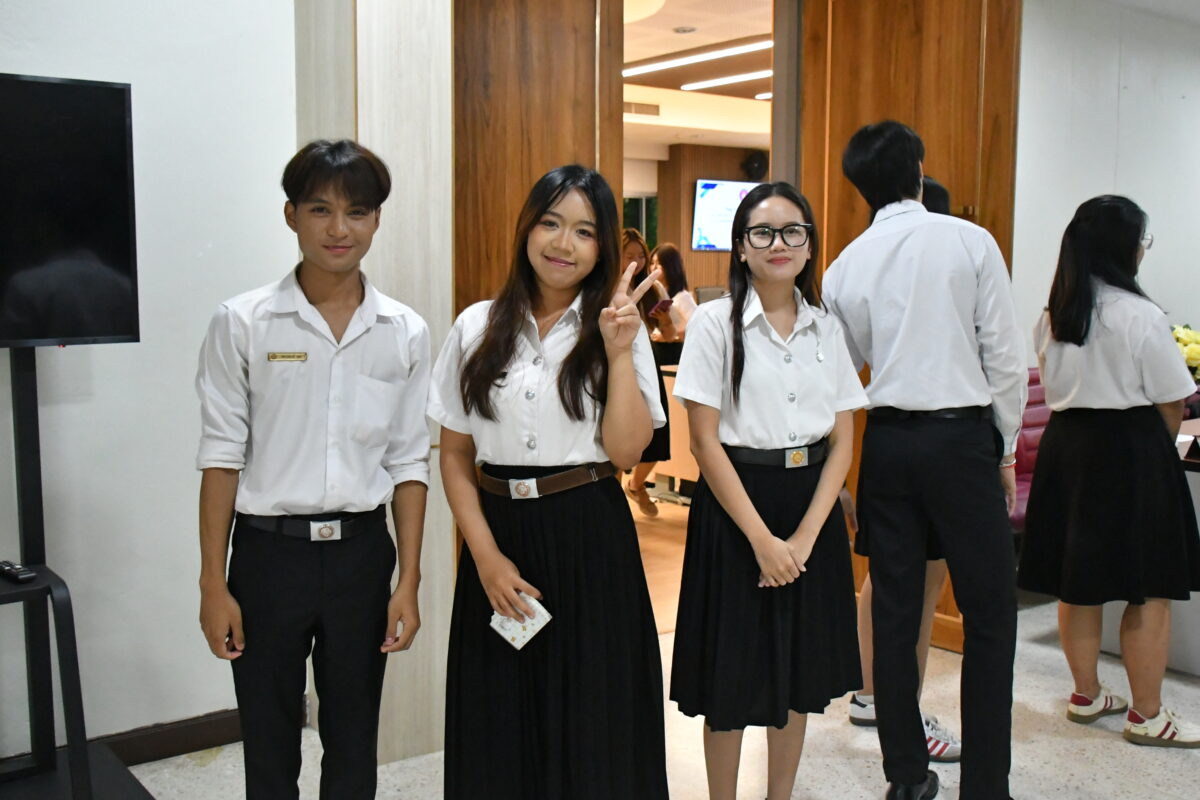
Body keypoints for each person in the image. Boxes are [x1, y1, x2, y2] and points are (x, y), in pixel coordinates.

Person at [195, 139, 430, 800]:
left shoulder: (404, 330)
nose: (338, 229)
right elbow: (221, 457)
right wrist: (213, 583)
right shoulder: (243, 322)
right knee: (268, 740)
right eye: (320, 209)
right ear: (291, 214)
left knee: (354, 739)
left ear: (376, 220)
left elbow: (409, 460)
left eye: (357, 212)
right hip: (268, 559)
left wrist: (409, 580)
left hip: (362, 557)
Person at [430, 165, 669, 799]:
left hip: (590, 532)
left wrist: (619, 350)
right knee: (500, 718)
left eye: (584, 232)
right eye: (551, 223)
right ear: (527, 229)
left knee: (594, 718)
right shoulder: (476, 326)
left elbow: (626, 452)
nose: (564, 244)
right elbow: (454, 455)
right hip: (498, 535)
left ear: (603, 246)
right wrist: (485, 558)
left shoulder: (618, 326)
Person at [823, 121, 1026, 800]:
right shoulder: (969, 241)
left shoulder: (845, 266)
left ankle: (906, 777)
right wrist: (1003, 449)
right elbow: (1004, 357)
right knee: (990, 614)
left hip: (887, 444)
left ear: (859, 186)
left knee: (894, 610)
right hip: (961, 441)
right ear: (918, 167)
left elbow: (842, 374)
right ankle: (986, 787)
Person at [670, 182, 866, 800]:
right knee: (729, 677)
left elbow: (843, 442)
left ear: (809, 246)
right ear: (741, 246)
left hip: (810, 506)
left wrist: (804, 539)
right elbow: (704, 443)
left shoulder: (826, 328)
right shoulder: (713, 324)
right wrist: (762, 541)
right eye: (763, 232)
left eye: (792, 232)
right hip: (736, 509)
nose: (778, 243)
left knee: (798, 676)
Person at [1017, 195, 1200, 747]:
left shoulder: (1054, 313)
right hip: (1131, 450)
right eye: (1142, 241)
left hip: (1067, 450)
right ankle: (1147, 715)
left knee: (1079, 584)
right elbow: (1173, 400)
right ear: (1124, 246)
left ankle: (1087, 694)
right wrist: (1152, 454)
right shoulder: (1141, 315)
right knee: (1148, 588)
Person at [847, 173, 960, 763]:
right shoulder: (941, 277)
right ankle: (897, 707)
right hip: (933, 444)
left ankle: (874, 694)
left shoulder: (867, 268)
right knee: (915, 585)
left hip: (885, 441)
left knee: (887, 578)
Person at [622, 227, 671, 516]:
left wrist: (664, 320)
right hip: (620, 362)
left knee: (658, 432)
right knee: (617, 436)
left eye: (641, 255)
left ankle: (636, 485)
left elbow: (670, 333)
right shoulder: (605, 288)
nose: (636, 261)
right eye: (629, 255)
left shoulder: (652, 288)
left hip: (648, 361)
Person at [650, 241, 698, 337]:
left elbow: (698, 328)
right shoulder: (657, 294)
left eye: (659, 263)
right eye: (652, 263)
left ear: (670, 266)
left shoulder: (683, 297)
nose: (653, 268)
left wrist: (672, 337)